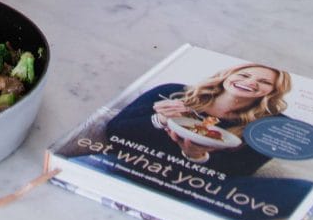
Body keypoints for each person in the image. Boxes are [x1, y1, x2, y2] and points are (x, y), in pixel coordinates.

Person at [107, 63, 291, 175]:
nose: (251, 82)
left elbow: (240, 171)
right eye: (244, 75)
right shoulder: (172, 92)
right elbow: (114, 131)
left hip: (194, 184)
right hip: (128, 163)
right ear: (227, 75)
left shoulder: (272, 126)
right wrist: (160, 120)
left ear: (274, 92)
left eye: (265, 82)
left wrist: (197, 157)